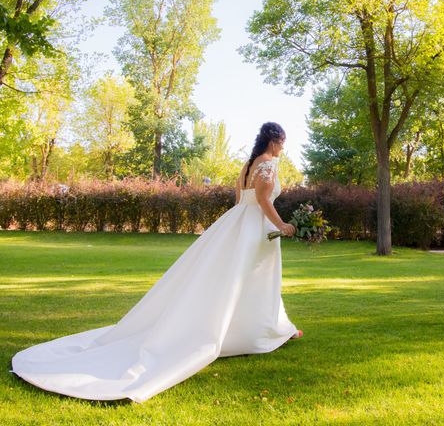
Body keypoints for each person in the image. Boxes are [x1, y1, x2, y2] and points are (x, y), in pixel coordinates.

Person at [11, 122, 302, 402]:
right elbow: (264, 200)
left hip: (237, 223)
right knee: (253, 280)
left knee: (240, 280)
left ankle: (272, 327)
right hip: (255, 226)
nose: (282, 149)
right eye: (282, 143)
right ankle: (258, 331)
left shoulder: (248, 165)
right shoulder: (268, 163)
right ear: (274, 140)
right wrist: (284, 225)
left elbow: (240, 200)